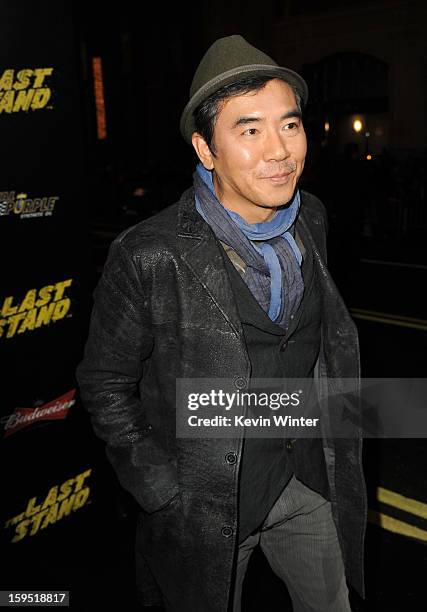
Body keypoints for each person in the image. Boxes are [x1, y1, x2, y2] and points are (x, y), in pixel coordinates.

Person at [76, 35, 367, 612]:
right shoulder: (148, 254)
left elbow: (313, 346)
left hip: (303, 478)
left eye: (289, 124)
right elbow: (104, 384)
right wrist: (160, 488)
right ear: (205, 150)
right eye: (249, 130)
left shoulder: (311, 216)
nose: (279, 151)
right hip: (205, 501)